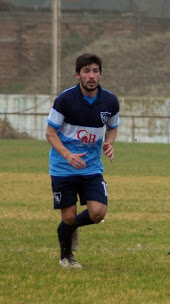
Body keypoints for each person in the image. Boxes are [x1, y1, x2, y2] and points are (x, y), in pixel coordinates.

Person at [46, 53, 120, 268]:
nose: (91, 76)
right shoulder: (65, 100)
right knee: (68, 217)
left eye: (95, 71)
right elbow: (50, 132)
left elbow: (113, 128)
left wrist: (109, 143)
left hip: (91, 168)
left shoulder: (110, 101)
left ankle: (66, 228)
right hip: (63, 168)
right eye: (86, 71)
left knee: (98, 213)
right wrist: (68, 155)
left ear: (100, 74)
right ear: (78, 74)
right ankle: (66, 256)